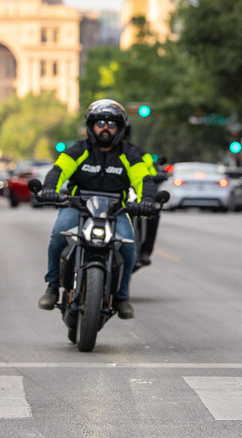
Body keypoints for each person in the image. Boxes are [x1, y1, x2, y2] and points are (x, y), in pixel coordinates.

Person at [36, 99, 158, 319]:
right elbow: (58, 170)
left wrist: (147, 199)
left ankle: (121, 297)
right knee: (58, 234)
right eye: (100, 122)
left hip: (115, 210)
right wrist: (49, 189)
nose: (105, 127)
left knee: (129, 247)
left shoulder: (129, 154)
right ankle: (52, 287)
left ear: (120, 128)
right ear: (91, 125)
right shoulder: (78, 150)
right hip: (78, 206)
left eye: (111, 123)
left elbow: (144, 179)